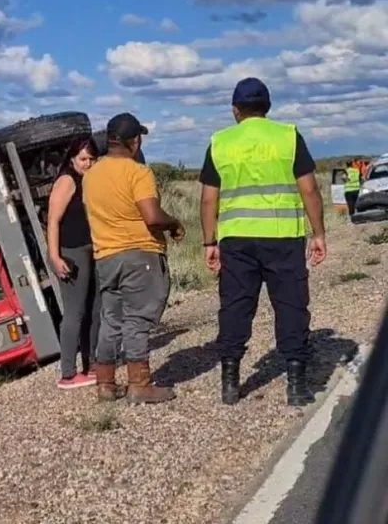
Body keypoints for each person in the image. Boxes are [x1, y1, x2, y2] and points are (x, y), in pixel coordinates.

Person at [198, 77, 327, 408]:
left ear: (235, 110)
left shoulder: (220, 142)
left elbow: (209, 198)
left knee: (236, 307)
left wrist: (209, 242)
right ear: (267, 107)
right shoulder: (288, 136)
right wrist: (318, 234)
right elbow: (309, 189)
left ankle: (230, 382)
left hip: (237, 240)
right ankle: (296, 384)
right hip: (283, 237)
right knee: (291, 305)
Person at [82, 113, 185, 405]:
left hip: (106, 257)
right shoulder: (138, 172)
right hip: (140, 255)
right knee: (137, 319)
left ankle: (105, 384)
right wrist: (174, 224)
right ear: (135, 141)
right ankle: (139, 384)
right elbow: (152, 217)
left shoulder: (90, 176)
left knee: (111, 320)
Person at [46, 136, 101, 389]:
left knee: (94, 309)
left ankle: (93, 363)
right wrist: (55, 256)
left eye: (92, 159)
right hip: (72, 251)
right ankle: (68, 373)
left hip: (92, 250)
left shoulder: (88, 181)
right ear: (72, 159)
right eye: (83, 159)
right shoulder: (67, 181)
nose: (87, 163)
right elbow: (53, 221)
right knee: (74, 313)